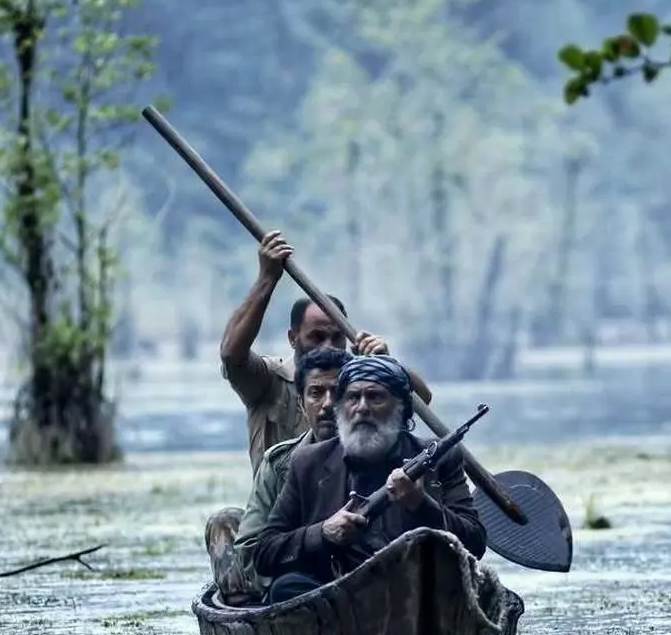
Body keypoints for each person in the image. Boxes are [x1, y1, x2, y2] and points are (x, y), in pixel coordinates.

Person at [253, 355, 486, 604]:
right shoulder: (308, 462)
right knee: (287, 587)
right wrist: (323, 533)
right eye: (353, 398)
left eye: (375, 397)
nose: (362, 407)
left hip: (419, 593)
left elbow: (474, 543)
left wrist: (421, 504)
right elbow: (265, 552)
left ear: (400, 408)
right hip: (334, 600)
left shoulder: (442, 458)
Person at [219, 229, 433, 473]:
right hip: (282, 505)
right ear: (293, 338)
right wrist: (267, 278)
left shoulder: (360, 383)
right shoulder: (268, 380)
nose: (328, 346)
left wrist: (387, 366)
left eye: (336, 337)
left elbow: (422, 401)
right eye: (317, 337)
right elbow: (231, 354)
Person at [205, 346, 351, 605]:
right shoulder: (280, 462)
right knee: (287, 586)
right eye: (316, 393)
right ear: (301, 403)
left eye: (338, 393)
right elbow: (251, 550)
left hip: (355, 576)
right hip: (289, 578)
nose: (328, 404)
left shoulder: (372, 454)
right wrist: (309, 544)